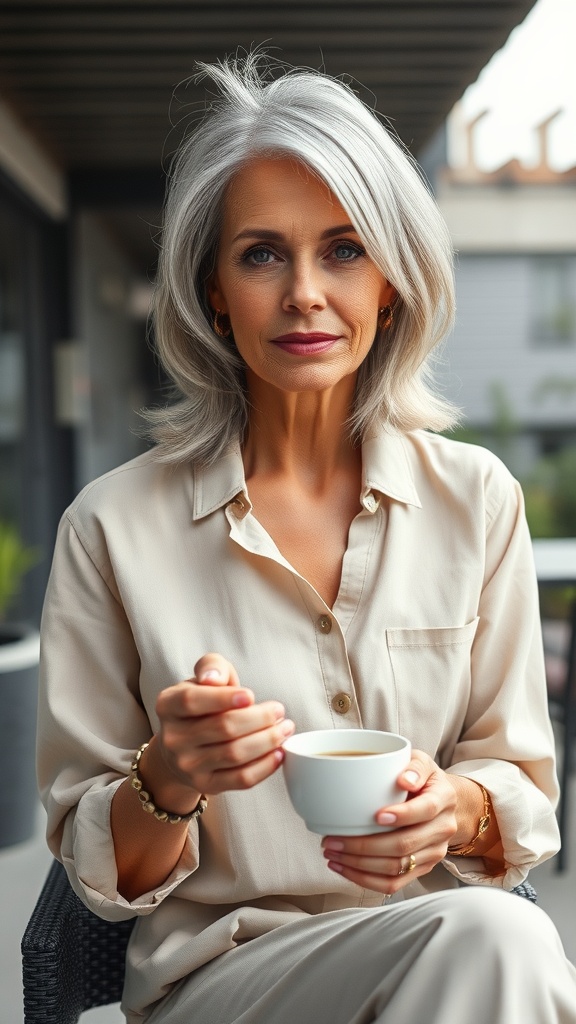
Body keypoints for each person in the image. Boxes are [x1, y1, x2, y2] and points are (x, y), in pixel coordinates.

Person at [38, 55, 576, 1024]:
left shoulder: (477, 499)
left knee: (496, 938)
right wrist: (172, 776)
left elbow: (523, 790)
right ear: (212, 292)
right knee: (504, 944)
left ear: (392, 284)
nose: (304, 294)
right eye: (261, 253)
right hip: (226, 978)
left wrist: (453, 808)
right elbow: (93, 871)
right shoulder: (112, 526)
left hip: (446, 946)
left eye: (342, 249)